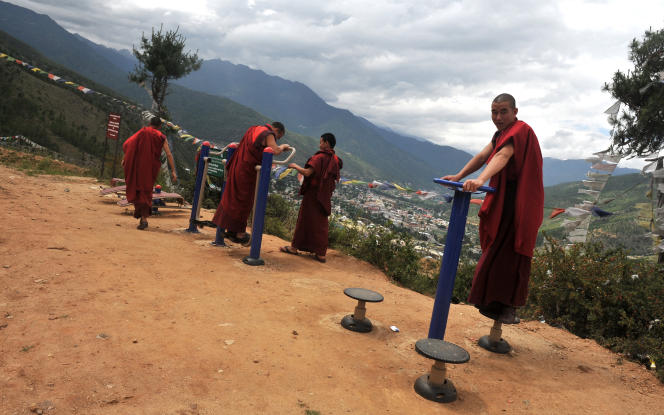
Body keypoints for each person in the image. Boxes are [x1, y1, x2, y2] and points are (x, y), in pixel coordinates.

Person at [442, 93, 543, 324]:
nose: (498, 117)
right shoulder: (500, 134)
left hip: (518, 204)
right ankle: (490, 304)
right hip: (504, 201)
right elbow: (483, 155)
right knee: (495, 252)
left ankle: (507, 308)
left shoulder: (520, 131)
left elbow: (503, 155)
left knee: (510, 253)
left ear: (515, 112)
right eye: (494, 112)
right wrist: (460, 175)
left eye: (503, 112)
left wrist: (481, 180)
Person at [212, 122, 289, 243]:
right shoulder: (268, 134)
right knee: (244, 201)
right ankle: (239, 233)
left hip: (238, 166)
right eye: (278, 137)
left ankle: (229, 229)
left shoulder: (255, 129)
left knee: (232, 197)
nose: (276, 139)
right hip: (248, 171)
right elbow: (274, 150)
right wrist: (283, 147)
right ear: (277, 131)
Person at [280, 133, 342, 263]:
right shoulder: (335, 160)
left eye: (321, 142)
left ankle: (294, 248)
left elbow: (308, 173)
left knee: (304, 220)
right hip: (324, 196)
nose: (319, 144)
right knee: (321, 224)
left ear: (326, 143)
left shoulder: (319, 157)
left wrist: (295, 166)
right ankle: (321, 254)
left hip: (313, 194)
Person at [122, 116, 177, 230]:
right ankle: (144, 218)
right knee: (146, 191)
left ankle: (144, 219)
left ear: (149, 123)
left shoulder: (143, 132)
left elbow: (129, 144)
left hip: (138, 166)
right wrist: (173, 171)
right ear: (160, 126)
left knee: (138, 190)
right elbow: (169, 154)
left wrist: (125, 158)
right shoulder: (161, 137)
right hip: (151, 168)